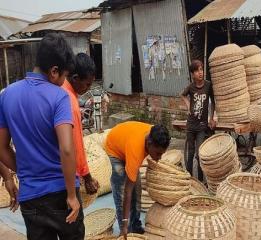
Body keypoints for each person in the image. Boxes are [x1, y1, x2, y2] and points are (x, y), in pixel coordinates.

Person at [0, 33, 83, 240]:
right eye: (64, 76)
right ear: (54, 71)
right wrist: (72, 196)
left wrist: (25, 170)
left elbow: (1, 147)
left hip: (31, 197)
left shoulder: (7, 95)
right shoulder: (59, 97)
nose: (64, 81)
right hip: (61, 194)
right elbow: (66, 148)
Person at [104, 121, 170, 237]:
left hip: (126, 142)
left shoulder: (155, 134)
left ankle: (135, 226)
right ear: (149, 144)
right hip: (114, 150)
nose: (159, 158)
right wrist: (125, 223)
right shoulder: (136, 149)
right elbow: (127, 192)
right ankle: (125, 230)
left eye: (162, 154)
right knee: (122, 192)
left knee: (137, 189)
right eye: (158, 153)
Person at [61, 53, 99, 195]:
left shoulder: (58, 89)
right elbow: (74, 144)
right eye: (87, 84)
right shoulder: (69, 101)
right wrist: (87, 177)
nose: (88, 89)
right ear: (75, 78)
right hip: (66, 176)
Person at [181, 60, 216, 181]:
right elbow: (183, 95)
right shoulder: (191, 87)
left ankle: (200, 181)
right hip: (191, 125)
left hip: (202, 126)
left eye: (201, 69)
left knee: (199, 154)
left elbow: (213, 102)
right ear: (192, 74)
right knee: (190, 154)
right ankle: (189, 179)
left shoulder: (208, 85)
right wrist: (188, 105)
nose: (200, 72)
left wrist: (211, 118)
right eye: (197, 70)